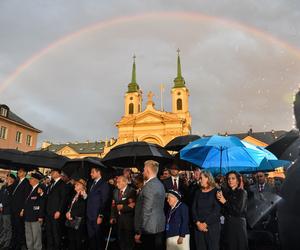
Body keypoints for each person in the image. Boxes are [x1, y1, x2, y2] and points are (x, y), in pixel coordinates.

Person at [134, 160, 166, 250]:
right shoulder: (160, 184)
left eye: (144, 170)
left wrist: (139, 231)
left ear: (148, 170)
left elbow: (146, 210)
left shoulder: (149, 186)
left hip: (149, 229)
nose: (143, 172)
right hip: (158, 227)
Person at [216, 171, 248, 250]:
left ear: (237, 180)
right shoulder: (228, 193)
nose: (230, 180)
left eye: (233, 178)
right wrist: (219, 199)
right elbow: (224, 210)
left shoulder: (242, 192)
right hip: (228, 224)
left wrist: (224, 201)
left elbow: (238, 211)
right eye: (229, 179)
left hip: (238, 225)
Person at [192, 170, 221, 250]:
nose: (199, 180)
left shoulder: (216, 191)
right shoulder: (197, 192)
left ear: (208, 178)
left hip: (212, 227)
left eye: (201, 178)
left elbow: (217, 210)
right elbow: (193, 209)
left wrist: (205, 224)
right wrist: (198, 223)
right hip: (198, 227)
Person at [85, 166, 111, 250]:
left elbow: (104, 201)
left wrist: (101, 215)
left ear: (98, 172)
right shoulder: (91, 183)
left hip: (97, 216)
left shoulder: (104, 184)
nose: (90, 174)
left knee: (98, 239)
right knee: (91, 239)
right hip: (89, 215)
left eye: (92, 172)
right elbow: (90, 198)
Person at [110, 175, 136, 250]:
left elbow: (133, 206)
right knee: (120, 240)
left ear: (125, 182)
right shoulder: (115, 191)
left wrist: (123, 207)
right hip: (118, 220)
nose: (117, 184)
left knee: (129, 242)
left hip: (128, 221)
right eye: (116, 182)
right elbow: (113, 205)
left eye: (118, 182)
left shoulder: (131, 191)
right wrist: (112, 217)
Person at [21, 172, 45, 250]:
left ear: (35, 180)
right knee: (29, 236)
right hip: (28, 216)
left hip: (35, 217)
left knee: (36, 237)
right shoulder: (30, 189)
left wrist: (40, 216)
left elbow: (42, 203)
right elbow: (27, 202)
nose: (29, 180)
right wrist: (23, 210)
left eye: (31, 179)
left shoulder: (40, 188)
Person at [45, 169, 68, 250]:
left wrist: (59, 211)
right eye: (51, 172)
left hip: (55, 212)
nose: (51, 173)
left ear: (59, 173)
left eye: (53, 172)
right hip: (48, 212)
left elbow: (63, 199)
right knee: (49, 233)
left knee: (56, 233)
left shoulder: (62, 184)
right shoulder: (51, 184)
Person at [10, 168, 31, 250]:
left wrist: (23, 209)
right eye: (18, 171)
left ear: (25, 173)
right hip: (13, 208)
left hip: (19, 210)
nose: (18, 172)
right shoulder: (17, 181)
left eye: (20, 171)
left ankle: (18, 245)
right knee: (14, 226)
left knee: (19, 227)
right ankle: (13, 243)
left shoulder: (26, 183)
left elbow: (26, 198)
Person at [65, 178, 87, 250]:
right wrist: (68, 212)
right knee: (71, 239)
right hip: (70, 218)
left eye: (77, 184)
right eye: (75, 184)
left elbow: (82, 208)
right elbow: (70, 205)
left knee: (77, 239)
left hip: (78, 220)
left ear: (81, 186)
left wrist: (72, 214)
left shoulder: (84, 195)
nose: (75, 185)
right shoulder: (75, 194)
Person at [0, 173, 16, 249]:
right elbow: (0, 196)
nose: (7, 178)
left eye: (9, 177)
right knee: (2, 226)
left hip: (8, 210)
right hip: (1, 210)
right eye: (7, 177)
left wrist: (3, 205)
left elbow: (10, 200)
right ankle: (2, 240)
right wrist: (0, 205)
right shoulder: (4, 186)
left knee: (7, 227)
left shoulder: (13, 188)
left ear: (12, 179)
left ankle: (7, 243)